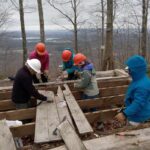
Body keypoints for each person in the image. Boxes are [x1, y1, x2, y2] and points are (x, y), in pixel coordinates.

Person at [115, 55, 150, 126]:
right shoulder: (138, 79)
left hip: (138, 117)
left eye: (129, 68)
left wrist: (124, 114)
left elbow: (138, 103)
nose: (127, 70)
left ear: (136, 70)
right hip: (135, 113)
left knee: (135, 134)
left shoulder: (142, 85)